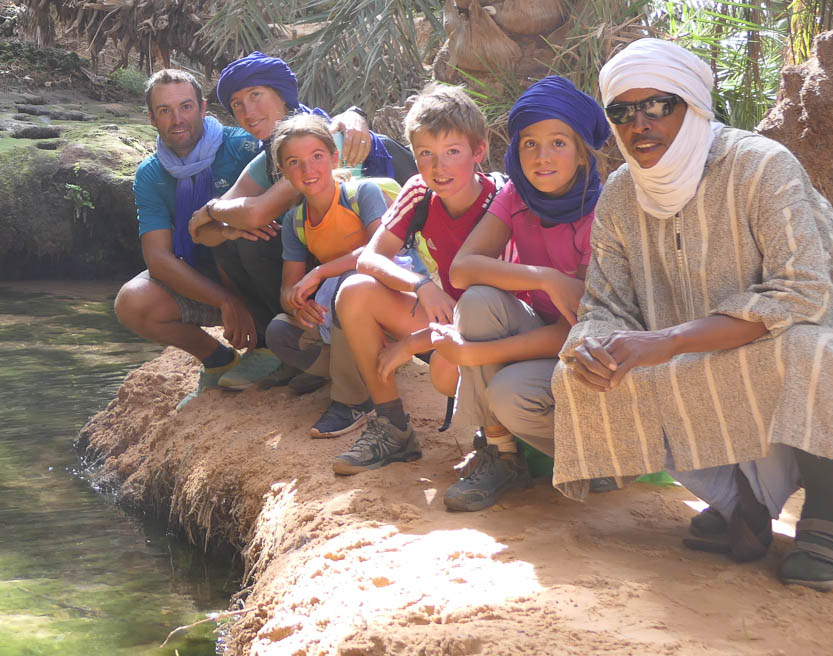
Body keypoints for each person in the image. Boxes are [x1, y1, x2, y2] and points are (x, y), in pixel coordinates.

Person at [551, 39, 833, 591]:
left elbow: (802, 293)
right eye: (622, 112)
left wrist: (669, 340)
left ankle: (826, 522)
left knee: (812, 358)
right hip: (690, 350)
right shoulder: (620, 194)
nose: (639, 124)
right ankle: (740, 500)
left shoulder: (761, 166)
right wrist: (593, 344)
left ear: (692, 106)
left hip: (799, 336)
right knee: (581, 373)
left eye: (657, 105)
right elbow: (604, 306)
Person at [431, 75, 612, 512]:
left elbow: (577, 329)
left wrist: (475, 354)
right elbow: (462, 269)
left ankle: (602, 457)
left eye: (558, 143)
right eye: (530, 143)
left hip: (590, 352)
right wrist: (547, 278)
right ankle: (501, 454)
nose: (542, 157)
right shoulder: (516, 195)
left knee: (509, 392)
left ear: (582, 153)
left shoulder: (602, 213)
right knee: (478, 300)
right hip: (542, 336)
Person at [325, 83, 502, 473]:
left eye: (452, 152)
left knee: (444, 369)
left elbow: (502, 306)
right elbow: (370, 257)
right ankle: (392, 428)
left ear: (478, 151)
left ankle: (500, 440)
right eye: (425, 154)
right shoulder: (420, 192)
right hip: (449, 314)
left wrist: (412, 344)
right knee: (355, 291)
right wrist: (421, 286)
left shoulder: (501, 200)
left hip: (495, 324)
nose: (439, 167)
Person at [184, 52, 386, 393]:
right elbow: (202, 235)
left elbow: (256, 212)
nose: (248, 112)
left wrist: (213, 210)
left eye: (255, 96)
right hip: (321, 265)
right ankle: (277, 346)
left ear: (282, 95)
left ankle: (314, 355)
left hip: (363, 264)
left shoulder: (313, 141)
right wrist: (223, 224)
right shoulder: (271, 155)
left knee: (253, 235)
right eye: (237, 104)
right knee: (234, 239)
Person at [111, 67, 266, 400]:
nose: (177, 119)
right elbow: (158, 259)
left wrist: (353, 119)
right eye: (165, 110)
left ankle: (271, 345)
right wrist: (225, 301)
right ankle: (218, 360)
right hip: (206, 277)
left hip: (261, 270)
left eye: (186, 107)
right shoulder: (151, 174)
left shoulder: (242, 147)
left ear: (203, 108)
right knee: (133, 302)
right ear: (152, 118)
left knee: (243, 233)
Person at [257, 114, 390, 414]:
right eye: (294, 162)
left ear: (334, 158)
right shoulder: (296, 221)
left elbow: (379, 253)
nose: (308, 170)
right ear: (283, 172)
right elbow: (288, 290)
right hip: (341, 318)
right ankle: (354, 371)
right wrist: (298, 305)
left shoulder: (362, 194)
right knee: (279, 331)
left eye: (317, 156)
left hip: (384, 309)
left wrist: (319, 272)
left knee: (348, 285)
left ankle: (352, 400)